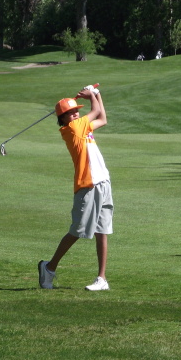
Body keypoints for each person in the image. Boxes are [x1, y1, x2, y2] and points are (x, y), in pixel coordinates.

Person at [38, 85, 113, 291]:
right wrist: (91, 96)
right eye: (70, 112)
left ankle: (102, 279)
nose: (75, 114)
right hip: (88, 184)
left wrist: (97, 94)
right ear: (62, 118)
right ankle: (49, 267)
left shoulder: (82, 127)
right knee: (78, 230)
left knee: (102, 231)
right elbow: (95, 111)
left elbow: (103, 119)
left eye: (76, 111)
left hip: (103, 181)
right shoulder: (72, 129)